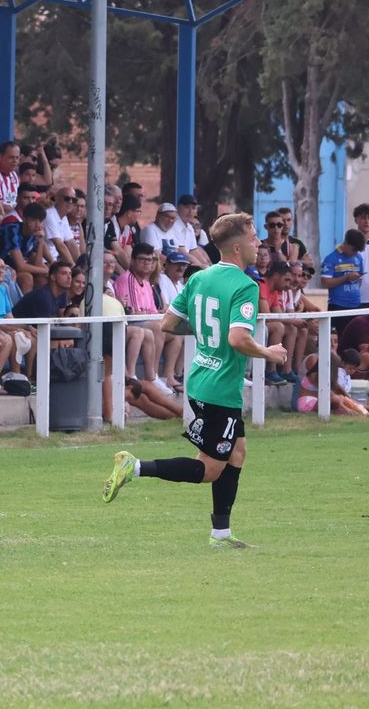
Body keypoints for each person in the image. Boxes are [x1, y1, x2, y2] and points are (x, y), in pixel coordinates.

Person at [102, 212, 290, 548]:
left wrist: (205, 334)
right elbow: (237, 339)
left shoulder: (199, 278)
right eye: (253, 237)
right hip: (220, 389)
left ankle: (221, 534)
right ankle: (135, 466)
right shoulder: (245, 286)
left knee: (237, 452)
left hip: (201, 378)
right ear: (237, 247)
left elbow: (168, 324)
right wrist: (269, 353)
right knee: (209, 470)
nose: (259, 242)